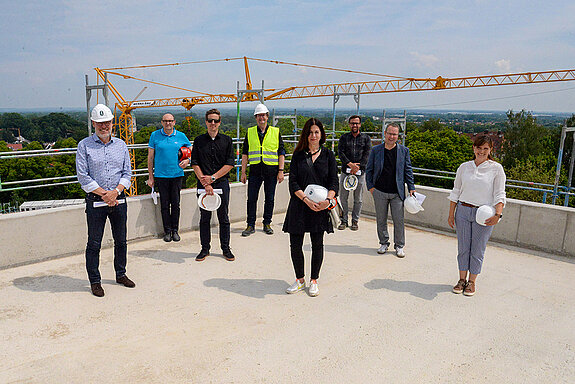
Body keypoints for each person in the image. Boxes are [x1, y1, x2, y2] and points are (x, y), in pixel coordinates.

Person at [76, 104, 135, 297]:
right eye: (100, 123)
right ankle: (95, 281)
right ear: (93, 123)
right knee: (94, 243)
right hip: (96, 201)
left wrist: (115, 192)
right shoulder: (84, 145)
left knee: (121, 241)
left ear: (112, 123)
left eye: (107, 122)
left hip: (118, 199)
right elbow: (83, 177)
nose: (104, 126)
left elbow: (127, 173)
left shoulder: (121, 145)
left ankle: (121, 274)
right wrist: (105, 194)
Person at [282, 118, 339, 297]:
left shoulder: (328, 155)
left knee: (317, 244)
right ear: (305, 135)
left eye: (316, 132)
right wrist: (306, 200)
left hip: (320, 207)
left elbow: (334, 182)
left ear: (321, 134)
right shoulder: (298, 155)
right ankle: (300, 280)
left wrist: (327, 202)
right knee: (295, 245)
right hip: (300, 205)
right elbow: (293, 183)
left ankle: (314, 280)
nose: (313, 136)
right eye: (310, 132)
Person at [448, 134, 506, 296]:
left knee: (478, 249)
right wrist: (451, 214)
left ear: (490, 150)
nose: (481, 151)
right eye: (478, 148)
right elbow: (456, 191)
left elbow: (499, 194)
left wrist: (498, 215)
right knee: (463, 247)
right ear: (474, 148)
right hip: (463, 211)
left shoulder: (496, 169)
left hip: (484, 214)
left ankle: (472, 282)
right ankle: (461, 280)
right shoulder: (464, 167)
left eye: (485, 148)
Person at [190, 108, 235, 262]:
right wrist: (205, 181)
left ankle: (226, 248)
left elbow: (230, 164)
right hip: (203, 184)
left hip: (221, 183)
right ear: (206, 122)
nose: (213, 123)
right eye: (210, 120)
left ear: (220, 122)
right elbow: (194, 162)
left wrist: (213, 179)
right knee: (204, 218)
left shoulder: (227, 140)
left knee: (224, 217)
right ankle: (204, 249)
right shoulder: (198, 141)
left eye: (216, 120)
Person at [366, 123, 415, 258]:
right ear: (385, 133)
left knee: (398, 220)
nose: (392, 136)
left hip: (397, 193)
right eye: (390, 133)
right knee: (381, 220)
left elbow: (408, 170)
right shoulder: (376, 150)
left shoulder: (404, 151)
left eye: (394, 134)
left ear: (398, 136)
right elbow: (369, 170)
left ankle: (399, 246)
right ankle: (383, 243)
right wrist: (371, 188)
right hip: (379, 191)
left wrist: (411, 187)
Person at [240, 103, 286, 236]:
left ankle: (267, 223)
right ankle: (250, 225)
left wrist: (281, 171)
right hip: (255, 171)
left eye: (264, 115)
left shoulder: (275, 132)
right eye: (259, 116)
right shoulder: (250, 132)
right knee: (251, 199)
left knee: (270, 198)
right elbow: (245, 154)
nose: (261, 118)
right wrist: (243, 172)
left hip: (271, 171)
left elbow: (281, 152)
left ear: (267, 117)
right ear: (256, 117)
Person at [146, 113, 191, 242]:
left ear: (174, 122)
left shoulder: (181, 136)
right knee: (164, 205)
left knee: (176, 204)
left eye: (170, 121)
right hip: (161, 175)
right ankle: (167, 231)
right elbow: (150, 158)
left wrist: (187, 160)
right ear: (162, 122)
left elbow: (191, 149)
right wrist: (150, 177)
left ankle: (175, 230)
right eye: (165, 121)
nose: (168, 123)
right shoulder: (154, 135)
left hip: (177, 175)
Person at [337, 115, 371, 231]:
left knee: (358, 199)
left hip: (360, 173)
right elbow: (340, 153)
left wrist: (358, 167)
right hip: (346, 172)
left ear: (360, 124)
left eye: (356, 123)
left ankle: (355, 221)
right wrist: (350, 164)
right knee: (343, 198)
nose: (354, 125)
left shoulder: (366, 138)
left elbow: (367, 154)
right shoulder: (344, 138)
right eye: (352, 123)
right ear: (349, 124)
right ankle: (344, 220)